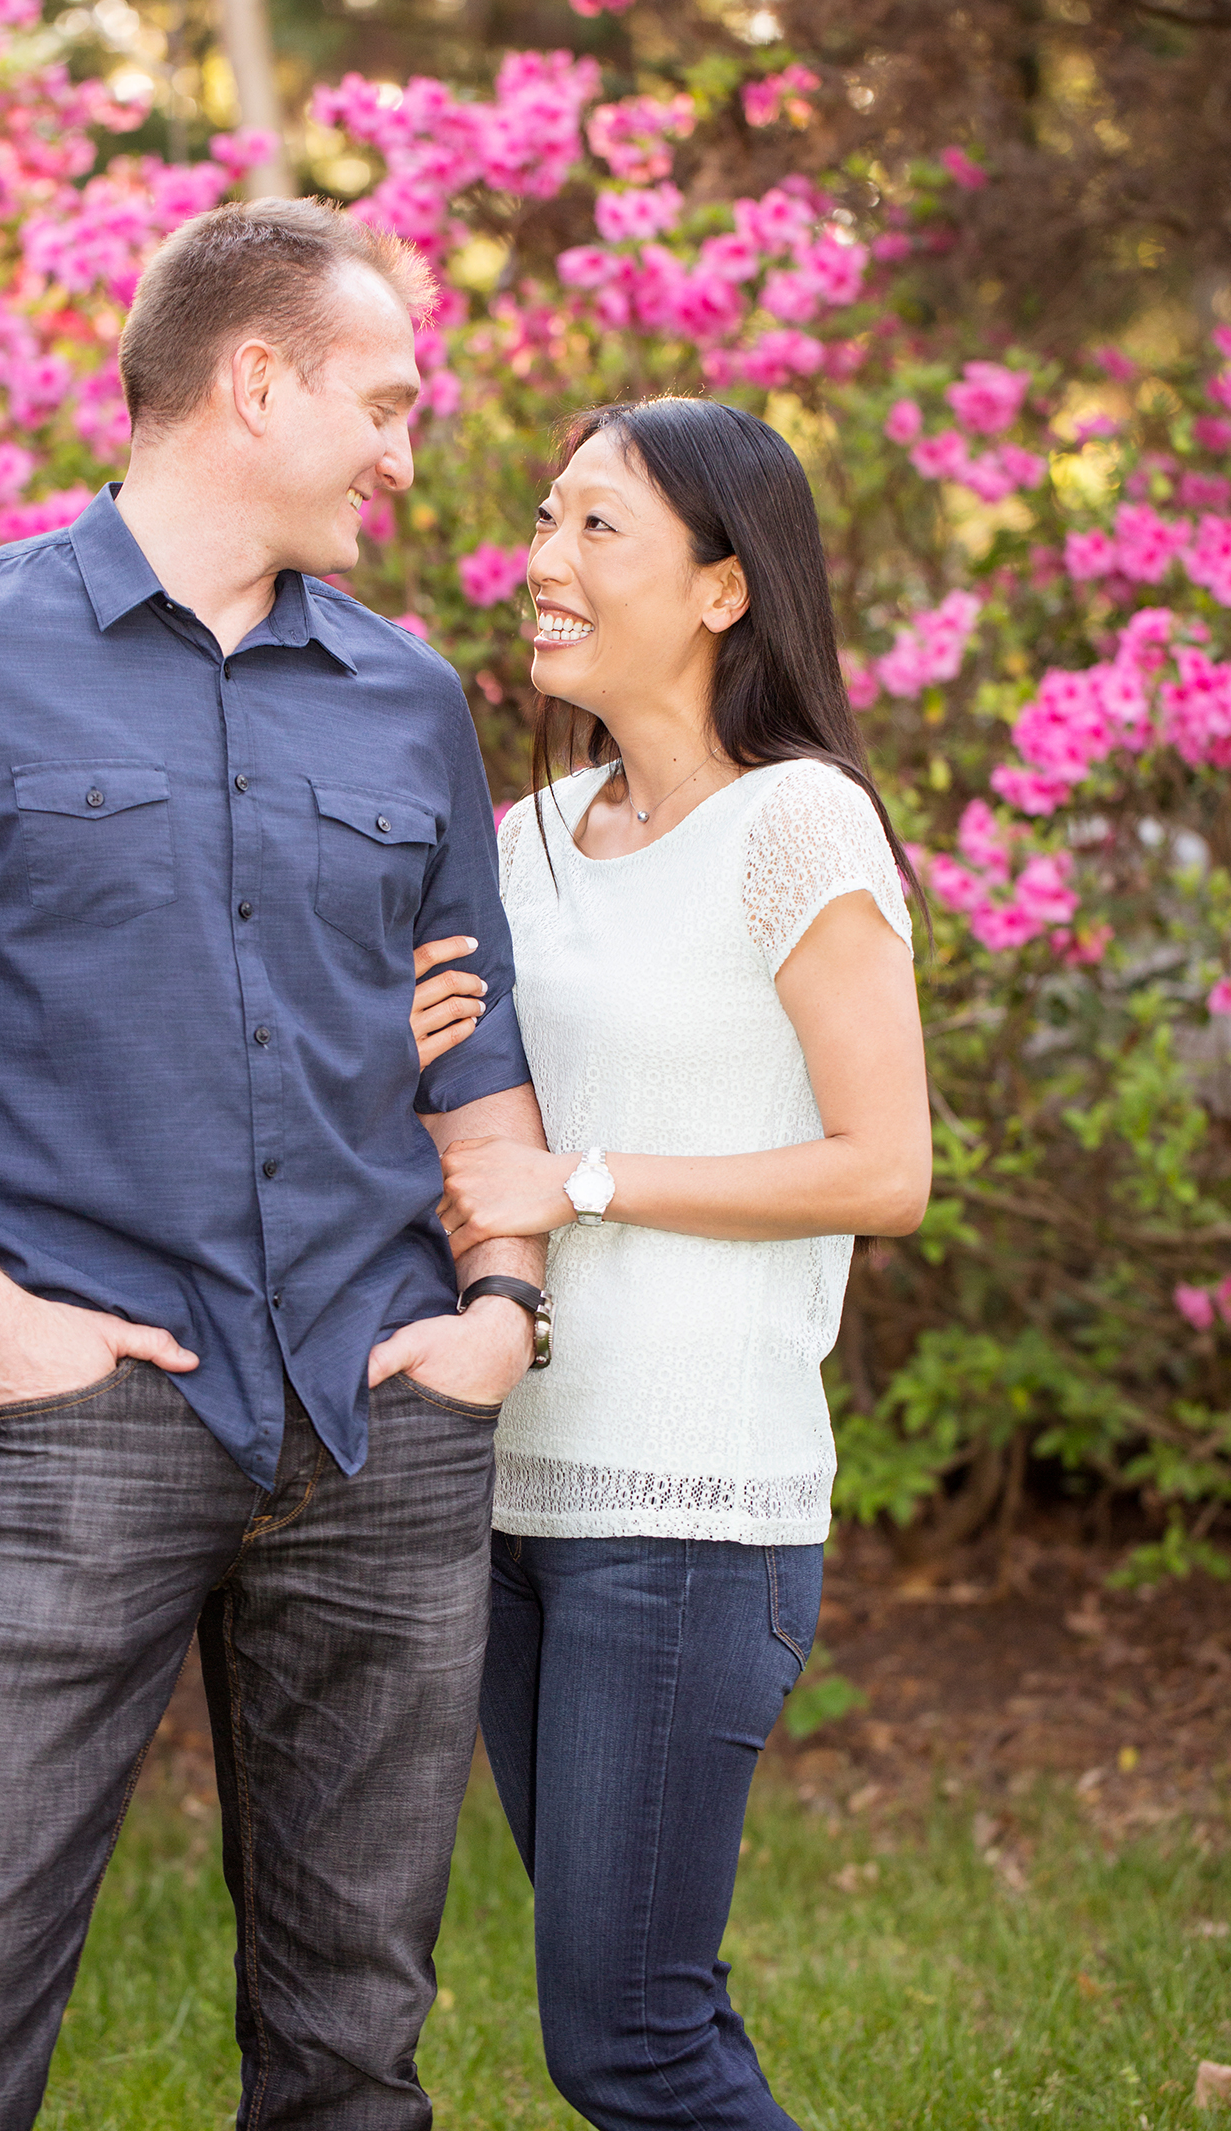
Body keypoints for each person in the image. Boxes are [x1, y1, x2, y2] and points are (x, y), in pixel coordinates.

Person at [0, 197, 551, 2131]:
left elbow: (479, 1064)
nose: (405, 454)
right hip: (77, 1422)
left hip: (383, 1421)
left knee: (357, 2058)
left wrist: (503, 1313)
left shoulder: (410, 699)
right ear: (253, 380)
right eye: (385, 401)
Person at [431, 397, 933, 2130]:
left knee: (628, 2038)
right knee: (644, 2006)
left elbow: (887, 1166)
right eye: (544, 517)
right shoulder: (524, 841)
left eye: (597, 528)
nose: (541, 561)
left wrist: (583, 1177)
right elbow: (472, 1135)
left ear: (724, 588)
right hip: (507, 1501)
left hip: (692, 1511)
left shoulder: (796, 825)